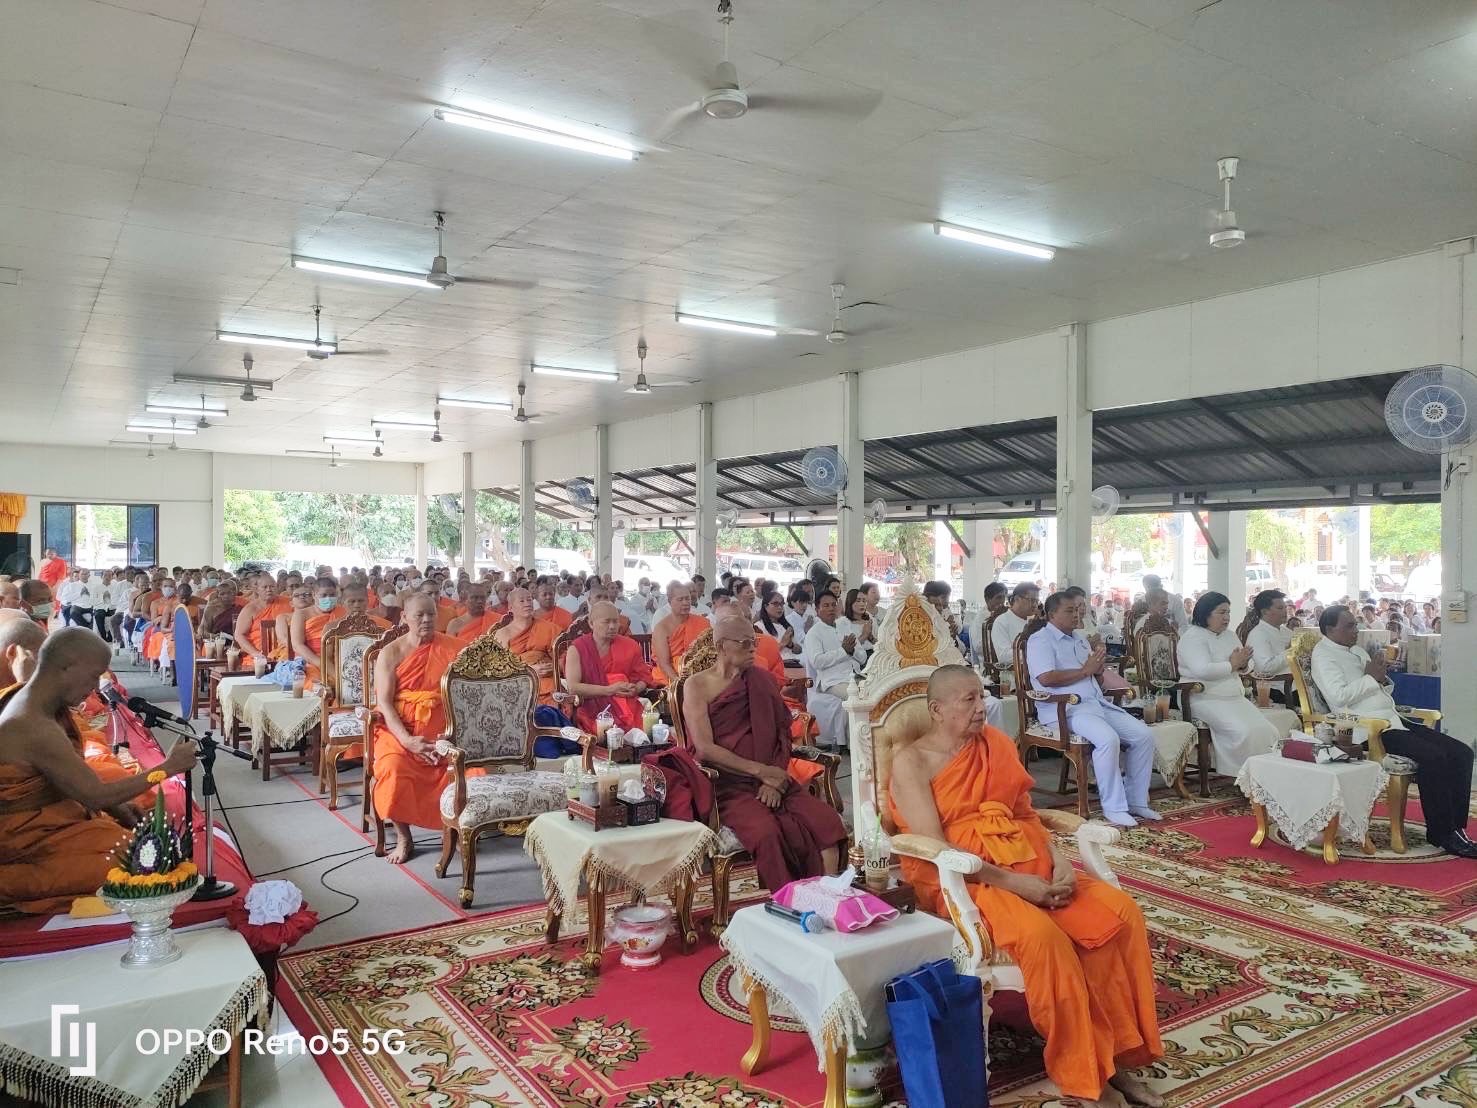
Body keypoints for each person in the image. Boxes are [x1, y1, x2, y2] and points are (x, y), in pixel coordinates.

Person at [888, 666, 1165, 1107]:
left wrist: (1060, 864)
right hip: (968, 881)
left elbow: (1025, 814)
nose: (982, 707)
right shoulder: (911, 761)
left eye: (981, 697)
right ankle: (1086, 1075)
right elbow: (936, 848)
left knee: (1120, 913)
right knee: (1044, 939)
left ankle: (1118, 1058)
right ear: (937, 710)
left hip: (1030, 862)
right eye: (968, 700)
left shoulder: (996, 745)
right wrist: (1016, 885)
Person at [0, 629, 198, 912]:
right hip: (23, 841)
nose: (94, 687)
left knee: (147, 845)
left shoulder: (38, 704)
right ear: (66, 665)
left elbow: (69, 778)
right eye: (93, 676)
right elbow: (95, 796)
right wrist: (168, 768)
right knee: (142, 862)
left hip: (54, 821)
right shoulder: (30, 723)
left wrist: (119, 808)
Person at [682, 615, 847, 890]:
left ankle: (826, 896)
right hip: (727, 785)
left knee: (827, 823)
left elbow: (781, 734)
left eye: (754, 642)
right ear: (722, 646)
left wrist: (776, 778)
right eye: (745, 643)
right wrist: (761, 773)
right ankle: (786, 900)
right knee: (766, 832)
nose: (752, 649)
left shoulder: (762, 680)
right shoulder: (697, 685)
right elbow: (704, 748)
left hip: (774, 778)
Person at [1312, 606, 1475, 858]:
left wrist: (1380, 677)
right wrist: (1370, 678)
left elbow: (1378, 689)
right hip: (1366, 728)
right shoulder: (1323, 656)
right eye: (1349, 626)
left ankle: (1456, 828)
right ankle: (1442, 832)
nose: (1356, 630)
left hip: (1392, 719)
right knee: (1435, 757)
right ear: (1329, 629)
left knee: (1461, 753)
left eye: (1355, 624)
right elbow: (1337, 697)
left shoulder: (1354, 651)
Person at [1028, 592, 1160, 828]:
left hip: (1096, 703)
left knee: (1143, 735)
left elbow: (1092, 679)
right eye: (1069, 610)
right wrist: (1086, 671)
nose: (1076, 614)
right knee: (1108, 739)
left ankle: (1137, 800)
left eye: (1078, 609)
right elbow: (1046, 678)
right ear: (1051, 615)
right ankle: (1114, 807)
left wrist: (1098, 671)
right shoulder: (1041, 640)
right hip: (1066, 708)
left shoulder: (1079, 638)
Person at [369, 595, 465, 865]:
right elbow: (385, 704)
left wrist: (448, 736)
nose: (426, 620)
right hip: (399, 730)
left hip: (445, 729)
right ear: (404, 617)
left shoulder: (455, 648)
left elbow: (468, 693)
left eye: (431, 614)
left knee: (469, 770)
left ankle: (453, 831)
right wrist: (408, 740)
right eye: (419, 615)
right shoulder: (392, 652)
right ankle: (403, 837)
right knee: (394, 769)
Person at [1176, 592, 1294, 778]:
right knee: (1243, 732)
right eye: (1221, 612)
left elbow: (1248, 665)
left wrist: (1243, 663)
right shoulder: (1193, 637)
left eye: (1228, 613)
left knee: (1268, 730)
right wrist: (1232, 664)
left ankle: (1266, 776)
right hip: (1203, 698)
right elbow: (1202, 670)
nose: (1227, 617)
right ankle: (1242, 776)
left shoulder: (1230, 635)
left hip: (1234, 698)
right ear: (1205, 613)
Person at [565, 601, 653, 732]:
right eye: (606, 622)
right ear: (591, 623)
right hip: (591, 707)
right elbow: (573, 687)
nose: (612, 626)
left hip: (627, 704)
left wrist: (636, 689)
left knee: (645, 734)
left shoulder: (630, 645)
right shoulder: (578, 648)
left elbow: (644, 677)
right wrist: (610, 690)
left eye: (616, 621)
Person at [801, 591, 864, 751]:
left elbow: (862, 657)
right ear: (817, 609)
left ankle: (867, 739)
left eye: (833, 605)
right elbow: (817, 661)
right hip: (831, 681)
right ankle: (853, 746)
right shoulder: (814, 633)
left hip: (854, 675)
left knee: (875, 692)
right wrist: (843, 651)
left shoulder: (844, 626)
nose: (831, 609)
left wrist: (851, 651)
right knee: (856, 697)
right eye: (826, 605)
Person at [493, 587, 560, 706]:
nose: (527, 604)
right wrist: (528, 671)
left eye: (529, 600)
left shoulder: (549, 628)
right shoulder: (502, 634)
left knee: (555, 706)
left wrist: (553, 666)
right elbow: (498, 669)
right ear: (511, 607)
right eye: (522, 601)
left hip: (548, 683)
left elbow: (563, 658)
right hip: (517, 685)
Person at [652, 581, 710, 686]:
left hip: (698, 673)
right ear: (670, 602)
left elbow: (709, 653)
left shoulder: (702, 622)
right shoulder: (662, 628)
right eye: (680, 599)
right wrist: (680, 684)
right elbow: (664, 664)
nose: (685, 603)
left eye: (687, 598)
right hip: (670, 676)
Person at [235, 573, 289, 665]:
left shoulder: (288, 602)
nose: (269, 590)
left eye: (272, 586)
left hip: (285, 654)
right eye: (265, 587)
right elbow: (239, 635)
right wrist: (255, 653)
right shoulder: (250, 609)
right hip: (259, 656)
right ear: (257, 589)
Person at [1246, 589, 1294, 686]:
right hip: (1278, 688)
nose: (1285, 611)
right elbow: (1265, 668)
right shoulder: (1258, 634)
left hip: (1298, 682)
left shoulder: (1286, 631)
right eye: (1280, 608)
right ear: (1265, 612)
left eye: (1285, 607)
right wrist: (1291, 651)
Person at [991, 583, 1039, 667]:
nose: (1035, 605)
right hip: (1015, 674)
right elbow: (1004, 656)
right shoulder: (1002, 622)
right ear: (1017, 599)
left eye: (1036, 601)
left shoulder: (1035, 622)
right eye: (1031, 600)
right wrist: (1037, 652)